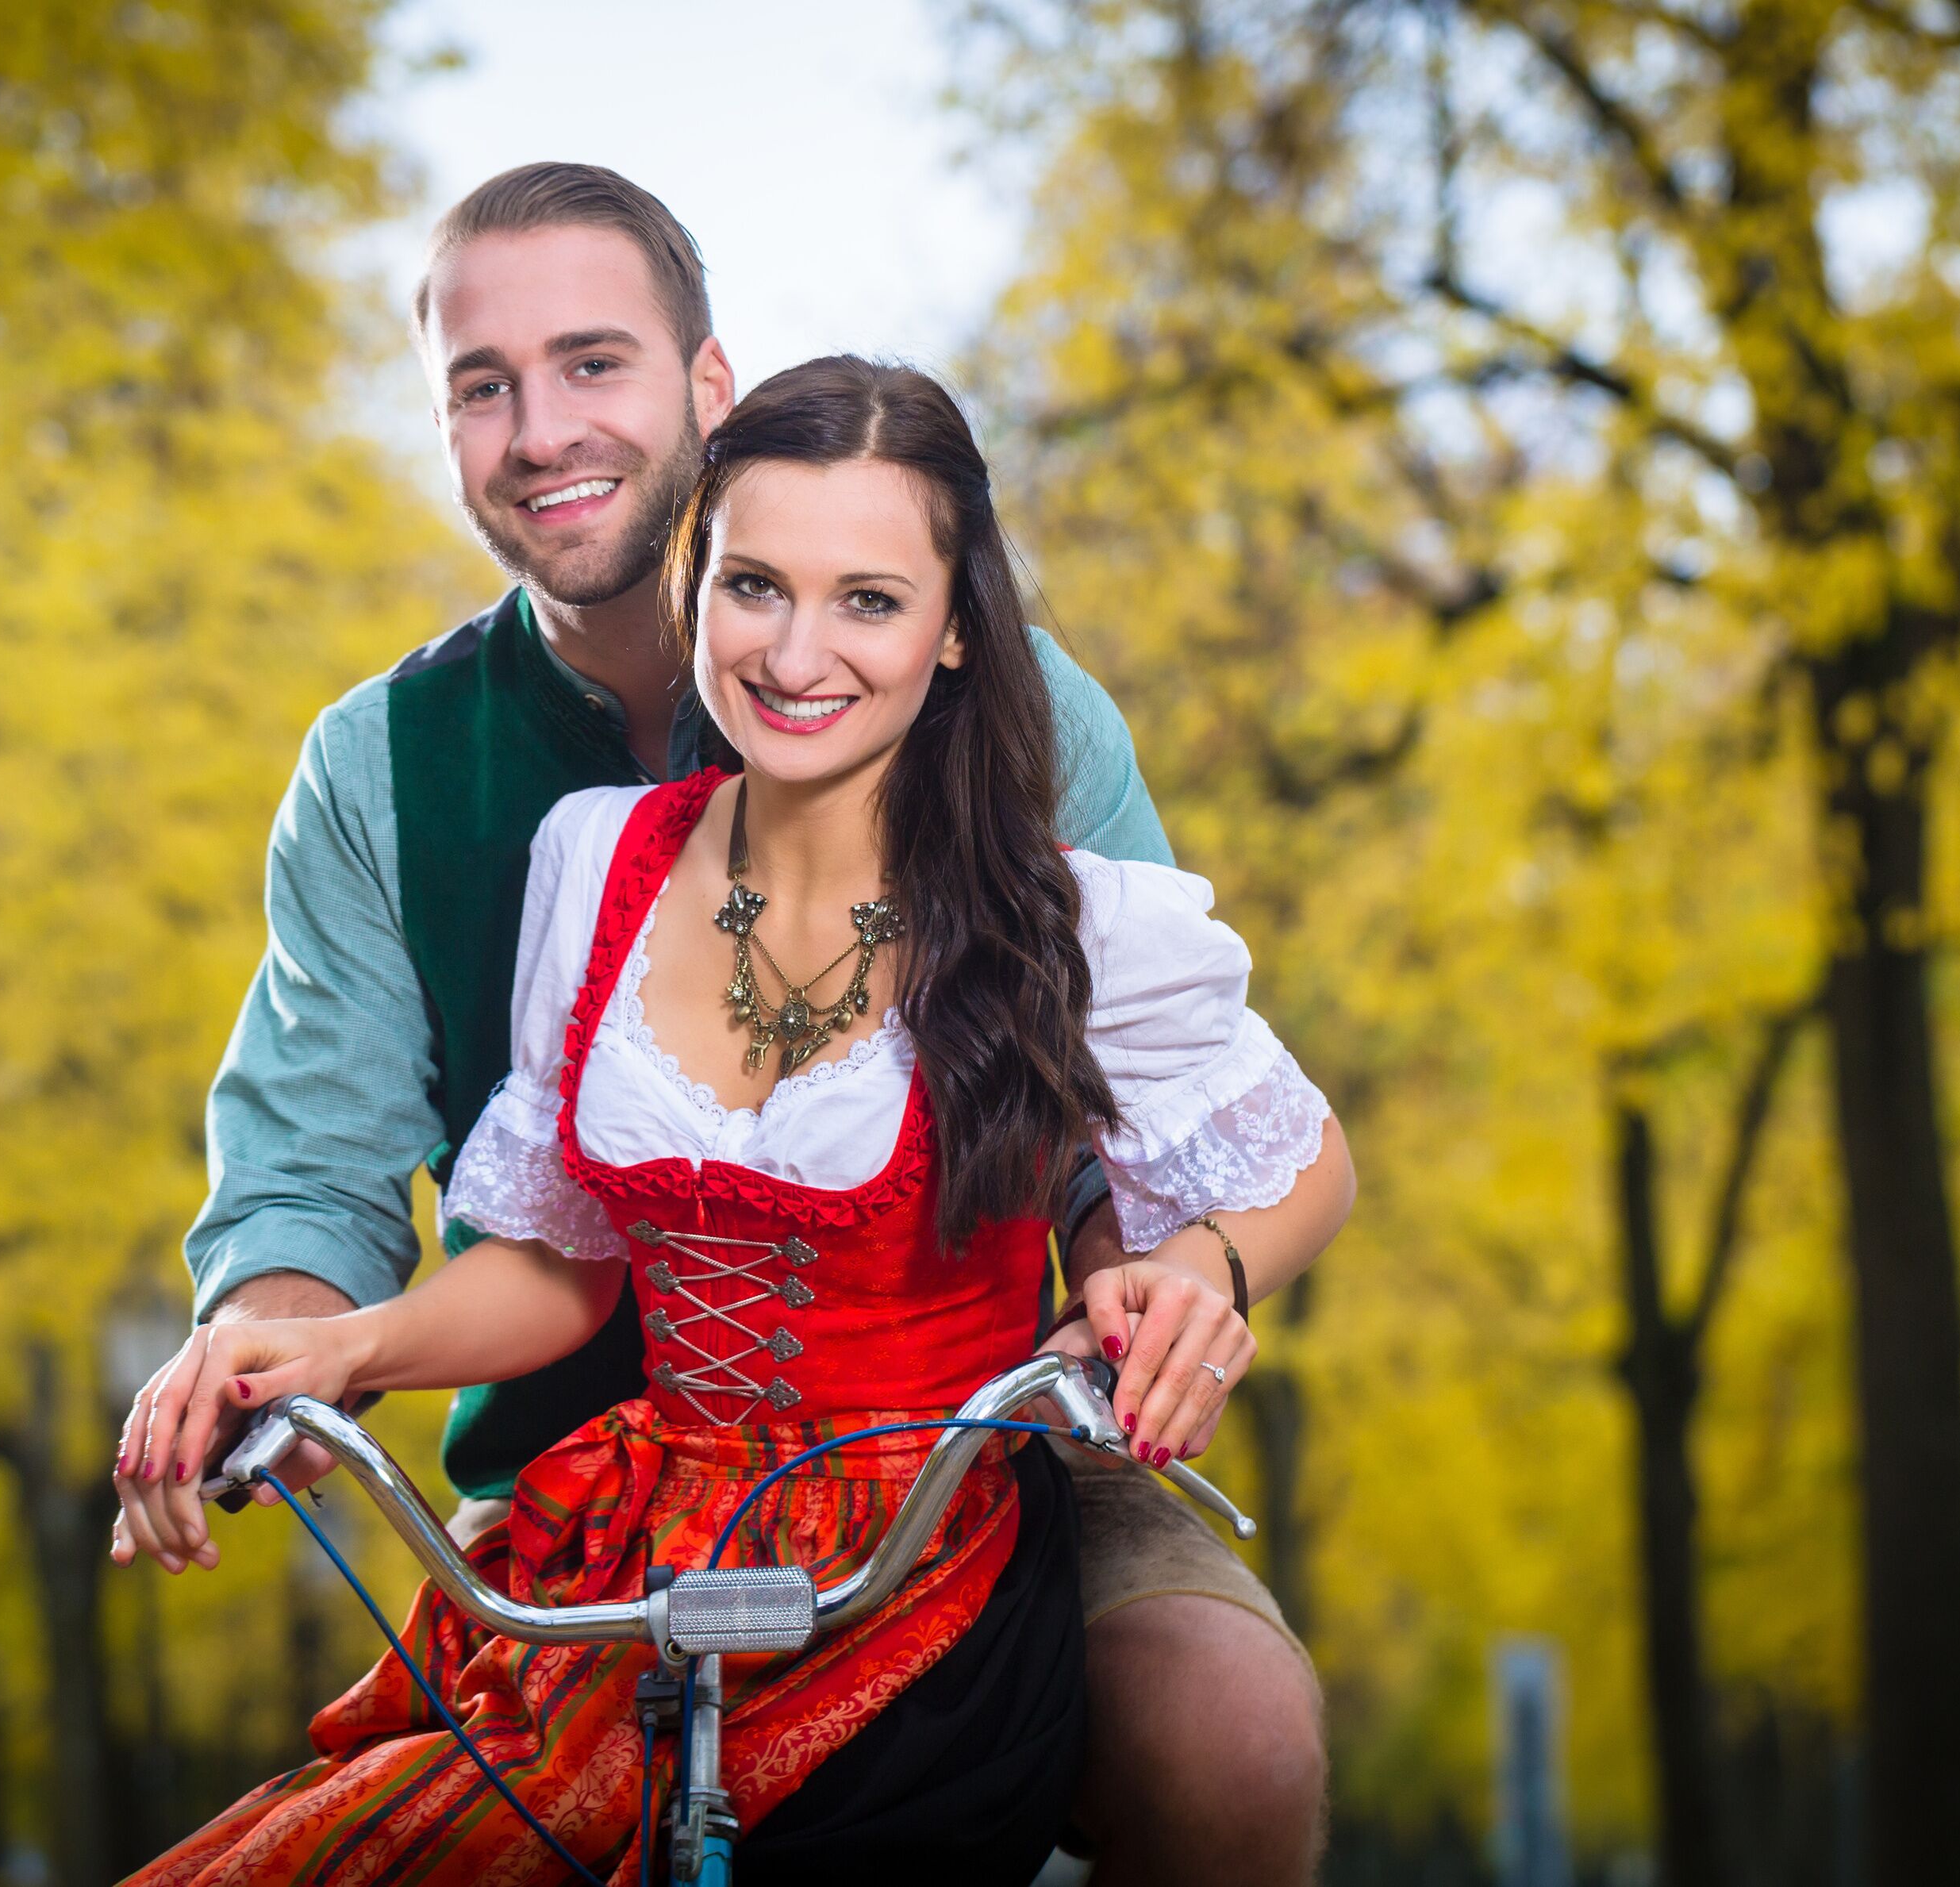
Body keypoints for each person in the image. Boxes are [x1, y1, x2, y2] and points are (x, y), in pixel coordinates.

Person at [114, 163, 1333, 1881]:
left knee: (1230, 1729)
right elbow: (314, 1176)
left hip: (970, 1431)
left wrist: (1165, 1273)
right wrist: (278, 1352)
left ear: (708, 391)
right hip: (574, 1459)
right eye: (484, 386)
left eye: (593, 363)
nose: (542, 429)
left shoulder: (1016, 715)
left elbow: (1126, 1111)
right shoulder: (410, 779)